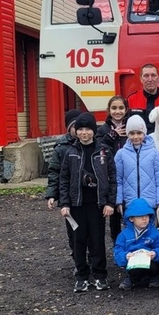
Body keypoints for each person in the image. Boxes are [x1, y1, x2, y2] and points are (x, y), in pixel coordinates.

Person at [59, 112, 117, 293]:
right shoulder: (71, 153)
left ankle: (100, 275)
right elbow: (64, 180)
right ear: (76, 131)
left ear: (94, 130)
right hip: (77, 204)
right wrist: (65, 203)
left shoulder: (104, 151)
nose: (84, 133)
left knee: (97, 240)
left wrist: (110, 203)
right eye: (81, 129)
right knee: (78, 240)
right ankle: (81, 276)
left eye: (88, 129)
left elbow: (113, 178)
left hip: (97, 204)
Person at [115, 114, 159, 222]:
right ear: (127, 134)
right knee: (131, 233)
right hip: (130, 203)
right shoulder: (121, 154)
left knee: (149, 233)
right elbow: (118, 180)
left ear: (144, 133)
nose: (136, 137)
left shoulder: (154, 153)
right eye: (132, 133)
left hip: (149, 203)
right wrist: (119, 201)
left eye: (139, 133)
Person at [45, 109, 82, 254]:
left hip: (88, 195)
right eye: (75, 127)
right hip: (69, 196)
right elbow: (54, 172)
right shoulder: (61, 149)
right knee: (73, 229)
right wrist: (52, 194)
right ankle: (77, 257)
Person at [113, 198, 159, 291]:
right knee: (132, 267)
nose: (144, 219)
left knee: (154, 265)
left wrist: (155, 253)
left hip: (150, 260)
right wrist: (125, 256)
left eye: (147, 216)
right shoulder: (124, 235)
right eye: (140, 216)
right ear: (131, 218)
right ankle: (132, 278)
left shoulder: (155, 232)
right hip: (133, 262)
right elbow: (118, 251)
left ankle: (154, 276)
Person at [97, 95, 129, 239]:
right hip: (111, 174)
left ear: (126, 109)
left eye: (121, 108)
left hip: (128, 173)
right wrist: (112, 135)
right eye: (114, 108)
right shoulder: (103, 129)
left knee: (129, 210)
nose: (118, 111)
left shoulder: (131, 126)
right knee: (114, 212)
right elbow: (97, 148)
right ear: (109, 110)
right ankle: (116, 241)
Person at [126, 63, 159, 132]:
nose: (150, 79)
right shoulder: (131, 99)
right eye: (146, 76)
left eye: (153, 75)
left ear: (158, 78)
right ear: (141, 79)